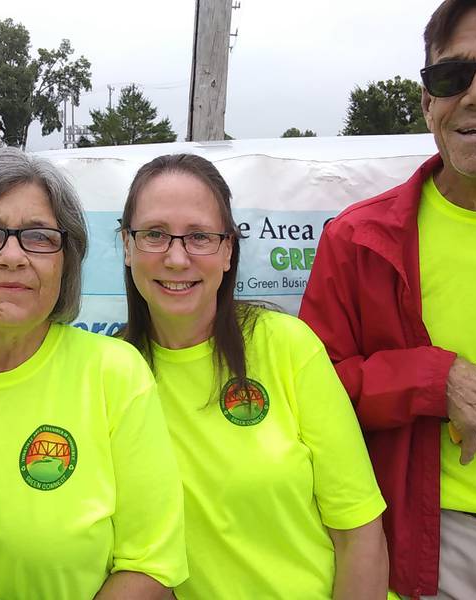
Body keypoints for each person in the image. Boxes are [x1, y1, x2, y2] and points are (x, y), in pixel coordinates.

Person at [299, 1, 476, 597]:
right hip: (434, 550)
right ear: (428, 104)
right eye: (451, 77)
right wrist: (434, 379)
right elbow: (313, 394)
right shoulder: (358, 239)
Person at [0, 147, 187, 600]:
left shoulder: (112, 373)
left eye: (37, 237)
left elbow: (150, 567)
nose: (13, 256)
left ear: (65, 262)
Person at [119, 153, 388, 600]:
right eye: (154, 235)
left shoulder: (287, 346)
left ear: (228, 251)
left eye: (200, 236)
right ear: (127, 248)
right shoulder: (113, 373)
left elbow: (358, 530)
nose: (177, 257)